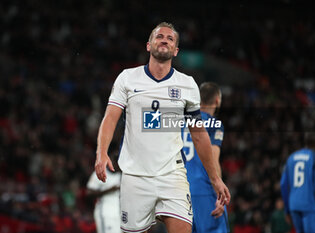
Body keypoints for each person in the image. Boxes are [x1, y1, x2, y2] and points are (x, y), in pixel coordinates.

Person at [94, 22, 230, 233]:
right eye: (159, 36)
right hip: (135, 175)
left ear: (176, 50)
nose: (164, 40)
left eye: (170, 38)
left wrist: (215, 179)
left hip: (172, 175)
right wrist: (101, 152)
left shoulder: (187, 84)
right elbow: (110, 117)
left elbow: (199, 135)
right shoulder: (127, 78)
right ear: (149, 45)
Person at [182, 82, 229, 233]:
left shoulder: (180, 121)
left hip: (180, 190)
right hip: (203, 189)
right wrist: (219, 195)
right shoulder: (214, 124)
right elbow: (213, 159)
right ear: (217, 100)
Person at [280, 133, 315, 233]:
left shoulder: (291, 158)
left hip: (294, 205)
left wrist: (287, 209)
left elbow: (283, 184)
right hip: (309, 205)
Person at [87, 160, 122, 233]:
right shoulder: (100, 172)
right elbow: (89, 193)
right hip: (105, 212)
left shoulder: (122, 175)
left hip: (119, 213)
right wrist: (110, 189)